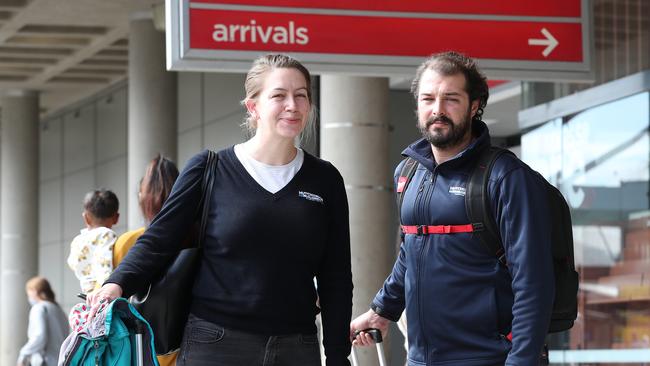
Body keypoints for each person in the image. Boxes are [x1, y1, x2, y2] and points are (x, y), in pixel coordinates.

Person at [88, 53, 353, 366]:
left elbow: (335, 276)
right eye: (279, 95)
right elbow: (159, 239)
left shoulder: (325, 179)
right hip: (215, 344)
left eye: (301, 95)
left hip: (297, 346)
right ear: (253, 106)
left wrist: (338, 356)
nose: (292, 105)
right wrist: (115, 284)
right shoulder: (209, 169)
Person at [350, 51, 555, 365]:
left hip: (489, 358)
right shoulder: (408, 174)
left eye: (451, 99)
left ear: (474, 106)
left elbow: (534, 284)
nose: (437, 110)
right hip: (420, 359)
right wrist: (382, 311)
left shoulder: (507, 178)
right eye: (428, 98)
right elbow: (411, 252)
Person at [112, 154, 179, 366]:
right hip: (192, 345)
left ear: (143, 198)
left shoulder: (127, 243)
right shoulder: (199, 240)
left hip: (144, 349)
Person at [67, 189, 120, 294]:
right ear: (116, 217)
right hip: (103, 292)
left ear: (86, 217)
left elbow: (72, 263)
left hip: (87, 292)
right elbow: (104, 266)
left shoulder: (78, 240)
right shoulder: (107, 234)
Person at [17, 277, 69, 366]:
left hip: (45, 361)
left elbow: (39, 337)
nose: (28, 296)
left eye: (28, 292)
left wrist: (24, 353)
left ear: (35, 291)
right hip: (61, 360)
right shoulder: (59, 309)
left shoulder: (39, 308)